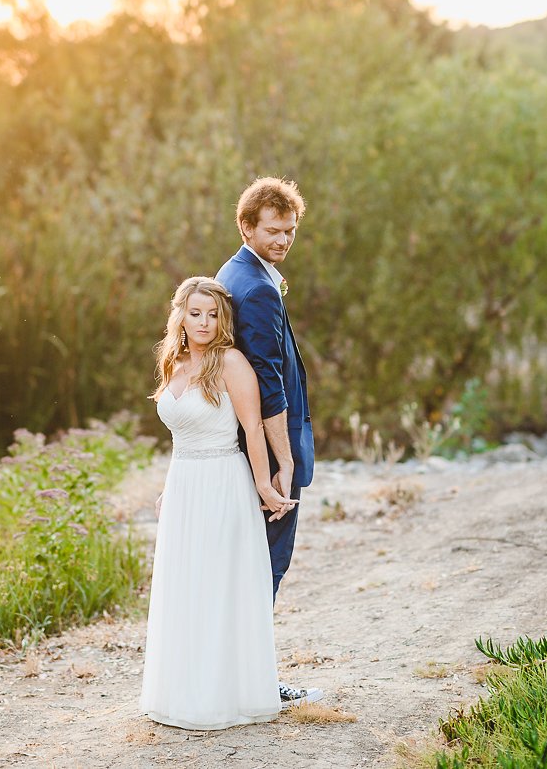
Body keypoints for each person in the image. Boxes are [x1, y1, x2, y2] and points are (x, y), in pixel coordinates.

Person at [139, 276, 297, 731]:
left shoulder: (232, 363)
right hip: (185, 482)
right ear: (181, 317)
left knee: (216, 585)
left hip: (223, 482)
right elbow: (180, 433)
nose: (204, 322)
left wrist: (265, 485)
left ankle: (224, 696)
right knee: (185, 585)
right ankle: (181, 692)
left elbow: (252, 430)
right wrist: (170, 487)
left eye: (213, 314)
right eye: (195, 313)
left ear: (222, 319)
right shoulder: (173, 362)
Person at [216, 176, 323, 708]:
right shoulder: (255, 287)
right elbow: (268, 381)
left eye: (291, 231)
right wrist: (283, 462)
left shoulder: (238, 273)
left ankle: (239, 674)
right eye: (274, 232)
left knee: (250, 566)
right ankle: (255, 681)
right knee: (267, 567)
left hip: (241, 447)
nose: (283, 241)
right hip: (270, 449)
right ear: (246, 227)